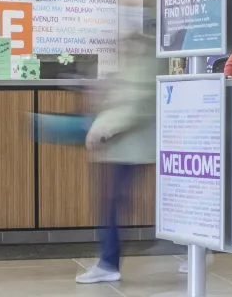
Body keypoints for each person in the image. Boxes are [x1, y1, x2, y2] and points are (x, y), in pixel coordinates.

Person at [75, 32, 156, 284]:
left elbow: (136, 106)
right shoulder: (134, 64)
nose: (121, 46)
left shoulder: (147, 62)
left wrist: (103, 128)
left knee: (113, 204)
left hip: (131, 148)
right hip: (122, 148)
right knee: (113, 203)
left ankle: (109, 263)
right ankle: (108, 261)